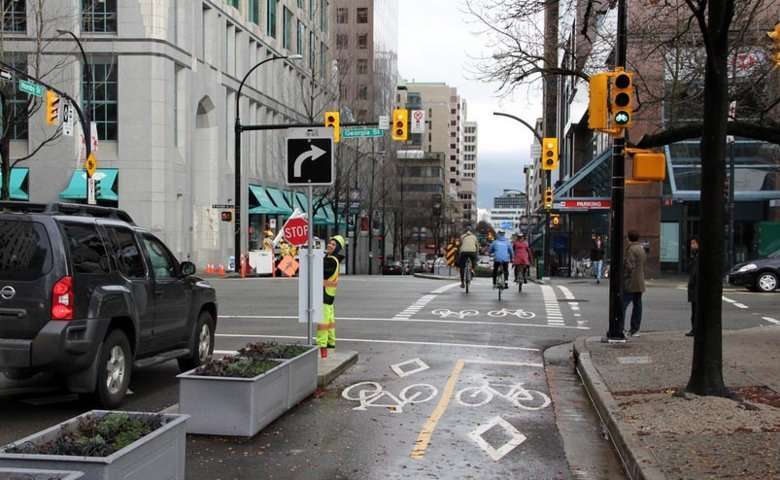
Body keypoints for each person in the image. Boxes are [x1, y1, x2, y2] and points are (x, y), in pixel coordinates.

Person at [317, 235, 345, 358]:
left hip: (325, 295)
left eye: (333, 245)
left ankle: (322, 348)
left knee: (323, 323)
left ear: (337, 248)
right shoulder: (331, 259)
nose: (329, 245)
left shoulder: (331, 260)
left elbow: (319, 270)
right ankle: (330, 345)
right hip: (328, 296)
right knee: (329, 322)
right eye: (330, 243)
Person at [623, 230, 647, 337]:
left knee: (622, 305)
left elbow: (629, 266)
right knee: (637, 305)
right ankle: (635, 329)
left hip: (631, 281)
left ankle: (620, 328)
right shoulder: (641, 248)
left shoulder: (631, 249)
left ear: (629, 238)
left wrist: (624, 275)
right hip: (640, 281)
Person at [686, 237, 699, 337]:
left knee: (695, 312)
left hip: (696, 290)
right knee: (694, 311)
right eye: (691, 244)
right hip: (695, 289)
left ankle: (695, 330)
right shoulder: (695, 257)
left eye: (694, 243)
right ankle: (695, 329)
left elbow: (694, 274)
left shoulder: (697, 258)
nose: (692, 246)